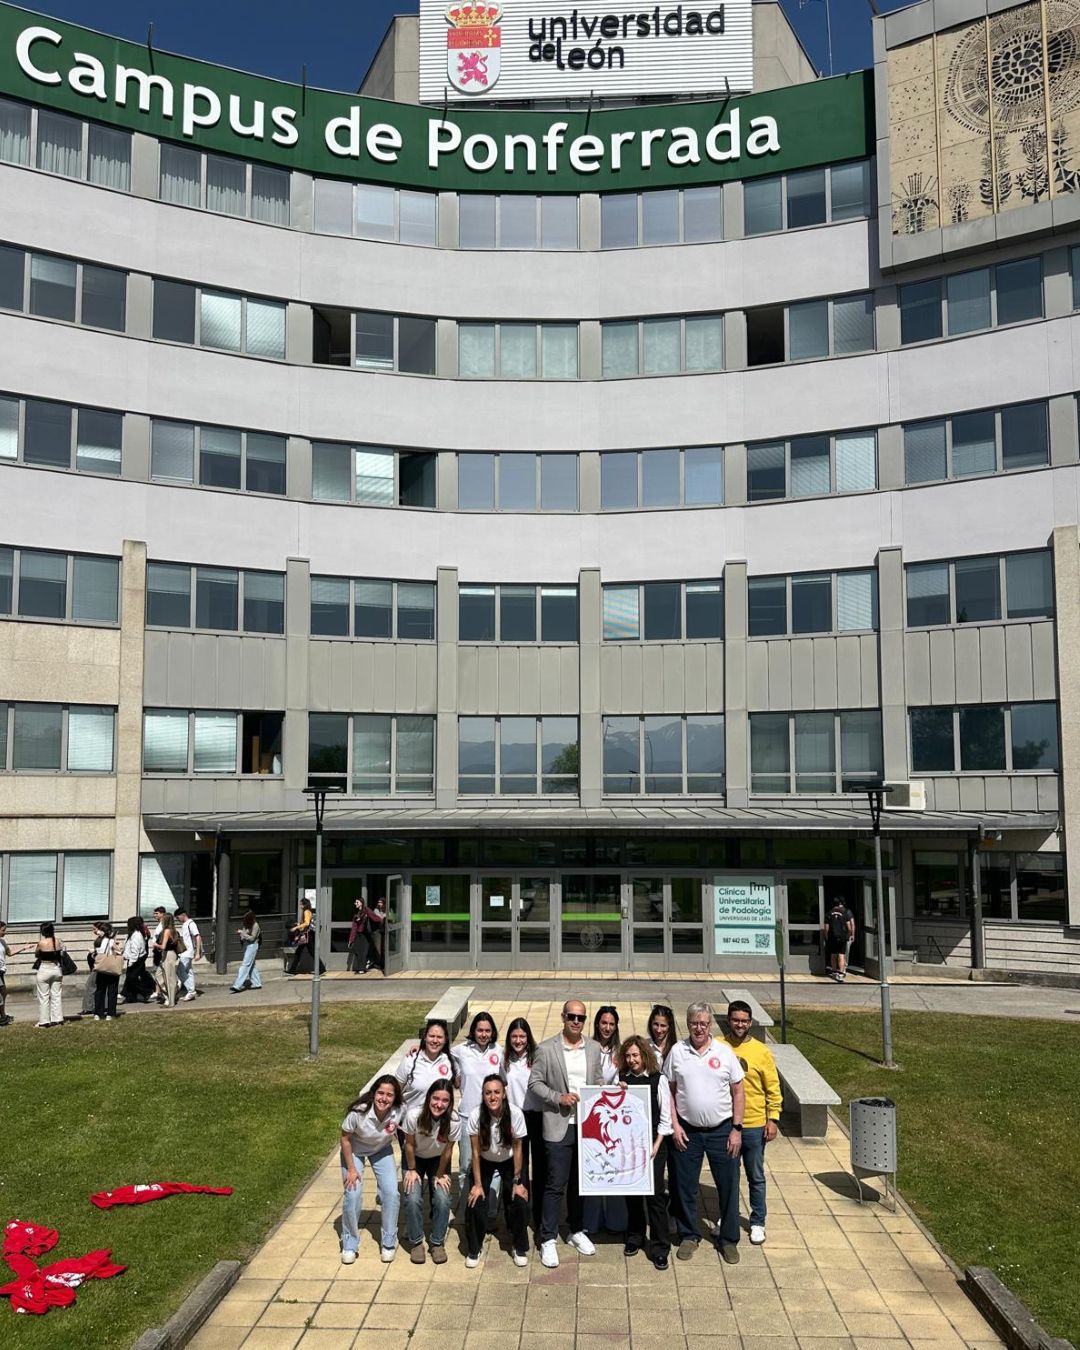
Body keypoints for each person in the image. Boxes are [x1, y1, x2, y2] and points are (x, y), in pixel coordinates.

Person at [528, 998, 606, 1269]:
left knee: (579, 1183)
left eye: (580, 1017)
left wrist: (611, 1091)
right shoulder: (546, 1048)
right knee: (555, 1184)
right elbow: (535, 1083)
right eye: (571, 1016)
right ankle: (548, 1237)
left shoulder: (594, 1048)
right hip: (558, 1124)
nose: (576, 1021)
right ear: (563, 1017)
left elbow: (597, 1080)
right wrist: (557, 1097)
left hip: (587, 1126)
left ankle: (576, 1229)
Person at [665, 1001, 745, 1265]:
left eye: (703, 1023)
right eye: (694, 1023)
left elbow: (738, 1091)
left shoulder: (724, 1052)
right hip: (687, 1131)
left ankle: (728, 1239)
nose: (698, 1028)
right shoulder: (677, 1051)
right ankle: (689, 1235)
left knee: (729, 1186)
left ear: (710, 1025)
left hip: (722, 1131)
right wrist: (675, 1125)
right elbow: (669, 1091)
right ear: (687, 1024)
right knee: (684, 1186)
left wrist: (736, 1129)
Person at [722, 1000, 782, 1247]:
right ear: (729, 1020)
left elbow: (773, 1087)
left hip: (755, 1125)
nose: (740, 1024)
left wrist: (773, 1118)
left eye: (744, 1021)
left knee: (755, 1176)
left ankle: (758, 1221)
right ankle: (728, 1218)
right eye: (736, 1020)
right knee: (729, 1177)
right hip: (726, 1124)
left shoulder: (761, 1051)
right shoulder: (719, 1046)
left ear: (750, 1023)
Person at [617, 1035, 673, 1270]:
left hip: (653, 1146)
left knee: (655, 1196)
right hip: (630, 1147)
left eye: (635, 1055)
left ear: (644, 1055)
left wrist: (656, 1145)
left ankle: (660, 1247)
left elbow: (666, 1117)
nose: (632, 1060)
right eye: (628, 1056)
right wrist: (616, 1091)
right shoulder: (622, 1078)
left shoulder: (658, 1080)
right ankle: (635, 1236)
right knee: (632, 1193)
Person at [465, 1074, 530, 1268]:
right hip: (484, 1160)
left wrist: (517, 1182)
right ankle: (474, 1248)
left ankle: (519, 1246)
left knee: (519, 1200)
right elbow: (475, 1152)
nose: (492, 1097)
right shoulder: (476, 1115)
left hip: (509, 1161)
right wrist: (477, 1185)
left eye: (496, 1092)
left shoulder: (515, 1114)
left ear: (504, 1094)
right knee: (475, 1200)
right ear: (483, 1095)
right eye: (488, 1093)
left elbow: (518, 1149)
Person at [339, 1074, 404, 1265]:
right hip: (355, 1150)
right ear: (374, 1093)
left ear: (395, 1097)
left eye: (389, 1095)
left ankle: (389, 1241)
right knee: (353, 1193)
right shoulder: (358, 1113)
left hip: (381, 1149)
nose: (384, 1098)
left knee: (391, 1193)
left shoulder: (399, 1110)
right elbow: (345, 1139)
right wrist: (351, 1169)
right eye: (380, 1093)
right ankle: (350, 1243)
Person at [402, 1080, 460, 1264]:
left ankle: (437, 1242)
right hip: (414, 1158)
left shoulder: (454, 1121)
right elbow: (409, 1144)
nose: (439, 1104)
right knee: (412, 1197)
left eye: (445, 1100)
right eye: (435, 1098)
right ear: (428, 1098)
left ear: (450, 1103)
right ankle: (416, 1241)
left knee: (443, 1198)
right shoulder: (414, 1115)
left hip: (438, 1159)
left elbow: (448, 1150)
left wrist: (440, 1174)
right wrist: (411, 1170)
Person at [453, 1011, 503, 1194]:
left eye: (487, 1031)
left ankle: (491, 1207)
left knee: (494, 1166)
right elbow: (440, 1051)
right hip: (467, 1116)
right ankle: (468, 1207)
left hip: (493, 1117)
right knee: (466, 1166)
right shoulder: (461, 1050)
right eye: (480, 1030)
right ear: (473, 1031)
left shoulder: (498, 1050)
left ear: (493, 1032)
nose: (483, 1034)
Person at [503, 1016, 545, 1233]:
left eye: (522, 1036)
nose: (518, 1041)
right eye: (514, 1036)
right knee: (518, 1169)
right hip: (515, 1119)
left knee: (540, 1169)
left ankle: (540, 1219)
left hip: (536, 1117)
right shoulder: (504, 1061)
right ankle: (518, 1217)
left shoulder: (537, 1057)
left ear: (528, 1037)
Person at [396, 1019, 455, 1116]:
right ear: (425, 1037)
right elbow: (395, 1091)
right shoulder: (410, 1060)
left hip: (437, 1120)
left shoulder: (449, 1061)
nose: (435, 1040)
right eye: (431, 1036)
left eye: (439, 1037)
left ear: (445, 1040)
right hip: (409, 1120)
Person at [33, 921, 64, 1028]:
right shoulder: (58, 941)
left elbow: (37, 954)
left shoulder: (41, 943)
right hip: (56, 968)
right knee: (56, 995)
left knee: (44, 996)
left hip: (45, 968)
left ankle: (44, 1021)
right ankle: (57, 1020)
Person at [92, 921, 121, 1022]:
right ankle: (110, 1013)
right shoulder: (111, 941)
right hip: (112, 968)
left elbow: (97, 953)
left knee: (100, 990)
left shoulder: (98, 941)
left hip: (101, 968)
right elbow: (119, 952)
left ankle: (97, 1013)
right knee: (112, 991)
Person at [822, 896, 856, 981]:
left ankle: (834, 972)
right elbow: (849, 927)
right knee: (841, 955)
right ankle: (841, 973)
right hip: (842, 937)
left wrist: (826, 937)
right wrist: (849, 935)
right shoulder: (844, 912)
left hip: (832, 937)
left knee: (833, 955)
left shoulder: (829, 913)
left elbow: (826, 928)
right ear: (840, 903)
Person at [121, 915, 152, 1004]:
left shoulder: (136, 935)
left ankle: (146, 991)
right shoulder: (132, 934)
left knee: (131, 978)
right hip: (134, 958)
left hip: (136, 959)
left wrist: (131, 962)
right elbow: (128, 947)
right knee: (130, 977)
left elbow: (135, 950)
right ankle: (130, 996)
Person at [152, 912, 180, 1008]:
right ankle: (171, 993)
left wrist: (155, 944)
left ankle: (171, 1001)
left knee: (169, 978)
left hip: (168, 955)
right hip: (170, 954)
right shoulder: (174, 930)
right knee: (159, 975)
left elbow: (163, 946)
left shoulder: (167, 931)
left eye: (163, 919)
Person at [230, 911, 262, 993]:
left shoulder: (255, 925)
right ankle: (257, 983)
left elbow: (252, 938)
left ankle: (237, 985)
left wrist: (242, 933)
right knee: (251, 965)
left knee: (245, 965)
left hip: (252, 945)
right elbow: (244, 934)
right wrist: (241, 934)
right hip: (246, 945)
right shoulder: (246, 924)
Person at [174, 906, 202, 1001]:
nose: (177, 919)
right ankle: (191, 991)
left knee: (180, 971)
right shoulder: (185, 924)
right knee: (189, 972)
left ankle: (191, 991)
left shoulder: (191, 924)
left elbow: (198, 937)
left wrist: (197, 952)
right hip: (186, 952)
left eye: (178, 917)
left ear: (183, 915)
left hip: (187, 952)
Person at [286, 896, 314, 975]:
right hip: (307, 934)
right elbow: (305, 922)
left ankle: (322, 969)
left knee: (311, 952)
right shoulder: (307, 911)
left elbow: (307, 923)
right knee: (300, 952)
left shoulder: (306, 911)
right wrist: (298, 924)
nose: (300, 906)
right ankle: (292, 970)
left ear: (305, 904)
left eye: (301, 904)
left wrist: (296, 927)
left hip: (307, 935)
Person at [346, 897, 367, 974]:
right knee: (357, 950)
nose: (355, 904)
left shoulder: (366, 911)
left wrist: (382, 920)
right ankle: (360, 968)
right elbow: (354, 927)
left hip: (365, 934)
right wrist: (351, 940)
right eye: (355, 902)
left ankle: (362, 968)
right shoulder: (357, 914)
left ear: (361, 903)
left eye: (357, 902)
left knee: (363, 952)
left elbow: (374, 917)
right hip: (359, 934)